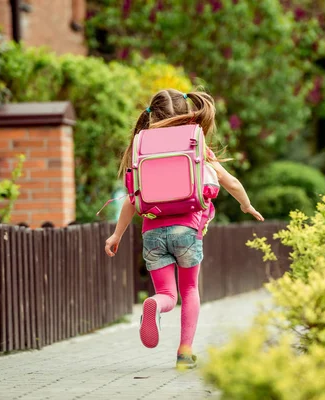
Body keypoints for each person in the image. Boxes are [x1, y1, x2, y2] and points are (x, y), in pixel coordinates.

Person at [104, 89, 263, 369]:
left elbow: (132, 198)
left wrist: (117, 234)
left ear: (152, 114)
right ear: (185, 112)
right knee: (189, 290)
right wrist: (246, 205)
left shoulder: (140, 147)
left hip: (152, 231)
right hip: (187, 229)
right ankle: (185, 352)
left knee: (168, 294)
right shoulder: (194, 143)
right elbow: (230, 182)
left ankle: (154, 303)